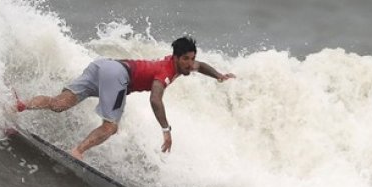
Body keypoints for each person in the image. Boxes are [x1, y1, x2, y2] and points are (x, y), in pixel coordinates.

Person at [16, 36, 233, 159]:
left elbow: (201, 66)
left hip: (103, 65)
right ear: (175, 58)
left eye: (192, 58)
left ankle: (21, 105)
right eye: (186, 59)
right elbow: (155, 100)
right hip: (118, 75)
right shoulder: (165, 72)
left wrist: (219, 76)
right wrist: (166, 130)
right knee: (110, 127)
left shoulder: (181, 64)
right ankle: (77, 152)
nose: (190, 64)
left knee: (59, 104)